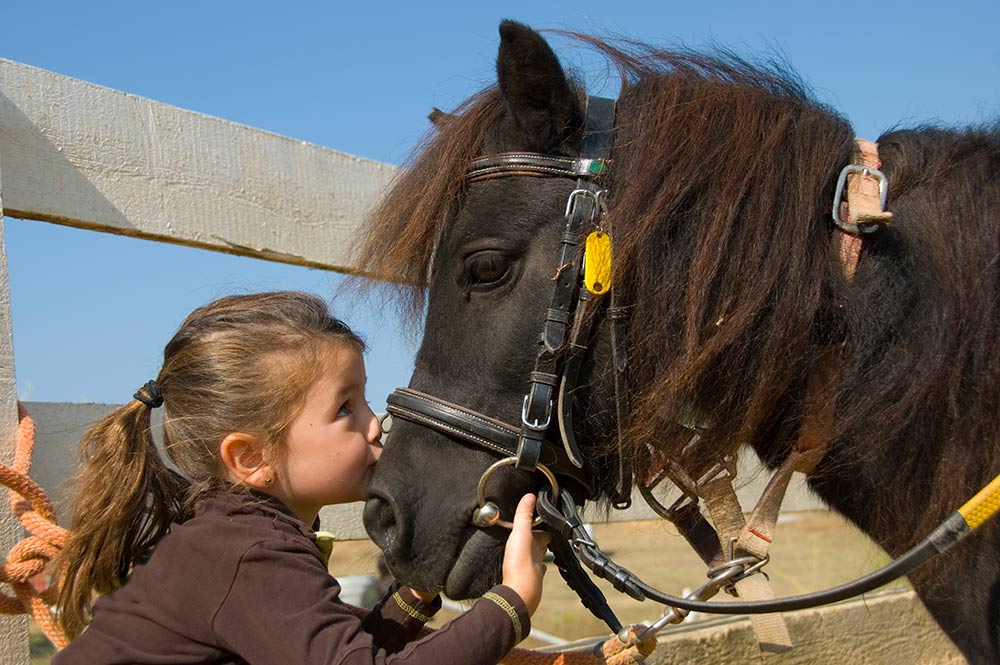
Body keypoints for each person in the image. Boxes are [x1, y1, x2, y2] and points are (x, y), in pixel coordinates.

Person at [51, 291, 549, 664]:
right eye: (344, 408)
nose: (374, 423)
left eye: (364, 399)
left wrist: (413, 595)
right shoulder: (250, 553)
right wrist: (511, 605)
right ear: (250, 458)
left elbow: (333, 653)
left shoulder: (233, 535)